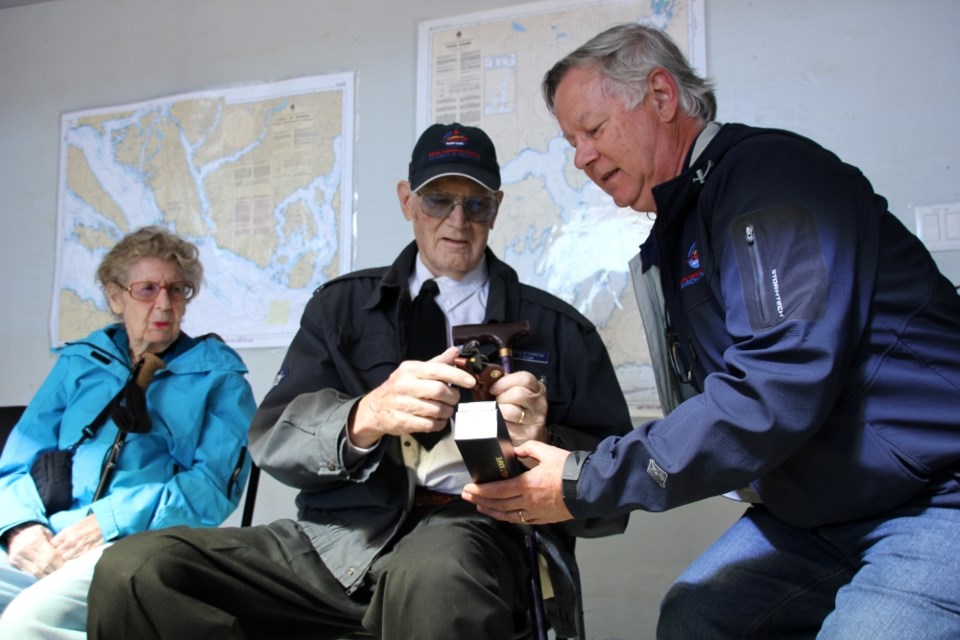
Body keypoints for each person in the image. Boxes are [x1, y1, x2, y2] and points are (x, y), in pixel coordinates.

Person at [460, 23, 960, 640]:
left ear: (663, 98)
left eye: (592, 130)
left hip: (933, 497)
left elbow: (773, 389)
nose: (581, 158)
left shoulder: (770, 179)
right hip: (814, 510)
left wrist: (584, 479)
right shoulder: (679, 226)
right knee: (695, 617)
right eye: (570, 142)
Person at [85, 123, 632, 640]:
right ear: (406, 201)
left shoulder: (561, 330)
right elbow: (274, 438)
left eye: (476, 203)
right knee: (136, 569)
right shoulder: (340, 308)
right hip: (337, 541)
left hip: (481, 537)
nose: (457, 220)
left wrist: (544, 442)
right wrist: (363, 417)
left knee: (437, 573)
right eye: (438, 199)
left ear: (497, 208)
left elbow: (614, 496)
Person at [0, 226, 257, 638]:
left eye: (177, 290)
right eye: (147, 289)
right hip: (53, 533)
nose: (164, 304)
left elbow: (212, 489)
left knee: (26, 622)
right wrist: (18, 527)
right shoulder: (80, 363)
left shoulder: (220, 377)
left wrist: (109, 521)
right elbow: (17, 459)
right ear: (115, 296)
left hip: (142, 545)